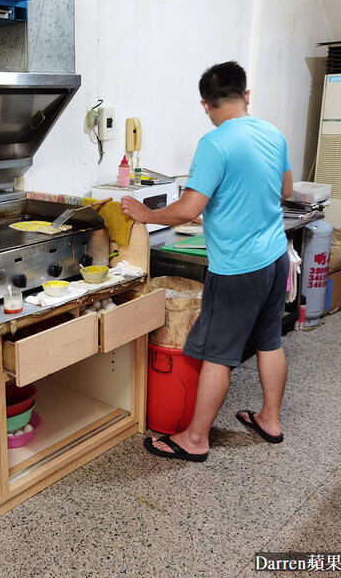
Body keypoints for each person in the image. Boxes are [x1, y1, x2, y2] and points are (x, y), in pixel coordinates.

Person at [121, 61, 292, 462]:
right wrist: (224, 210)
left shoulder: (215, 142)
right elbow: (282, 190)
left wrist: (145, 216)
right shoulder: (273, 133)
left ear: (205, 104)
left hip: (237, 268)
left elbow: (185, 209)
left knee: (218, 354)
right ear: (245, 94)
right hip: (274, 258)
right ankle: (270, 419)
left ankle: (195, 439)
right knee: (270, 341)